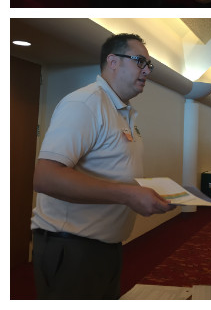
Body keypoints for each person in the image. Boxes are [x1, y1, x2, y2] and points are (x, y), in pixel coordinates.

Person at [31, 34, 175, 299]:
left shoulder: (121, 110)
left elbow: (113, 169)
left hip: (104, 247)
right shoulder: (85, 104)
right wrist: (129, 195)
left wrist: (143, 192)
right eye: (140, 61)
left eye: (149, 65)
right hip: (72, 248)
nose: (147, 71)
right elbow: (45, 177)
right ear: (113, 61)